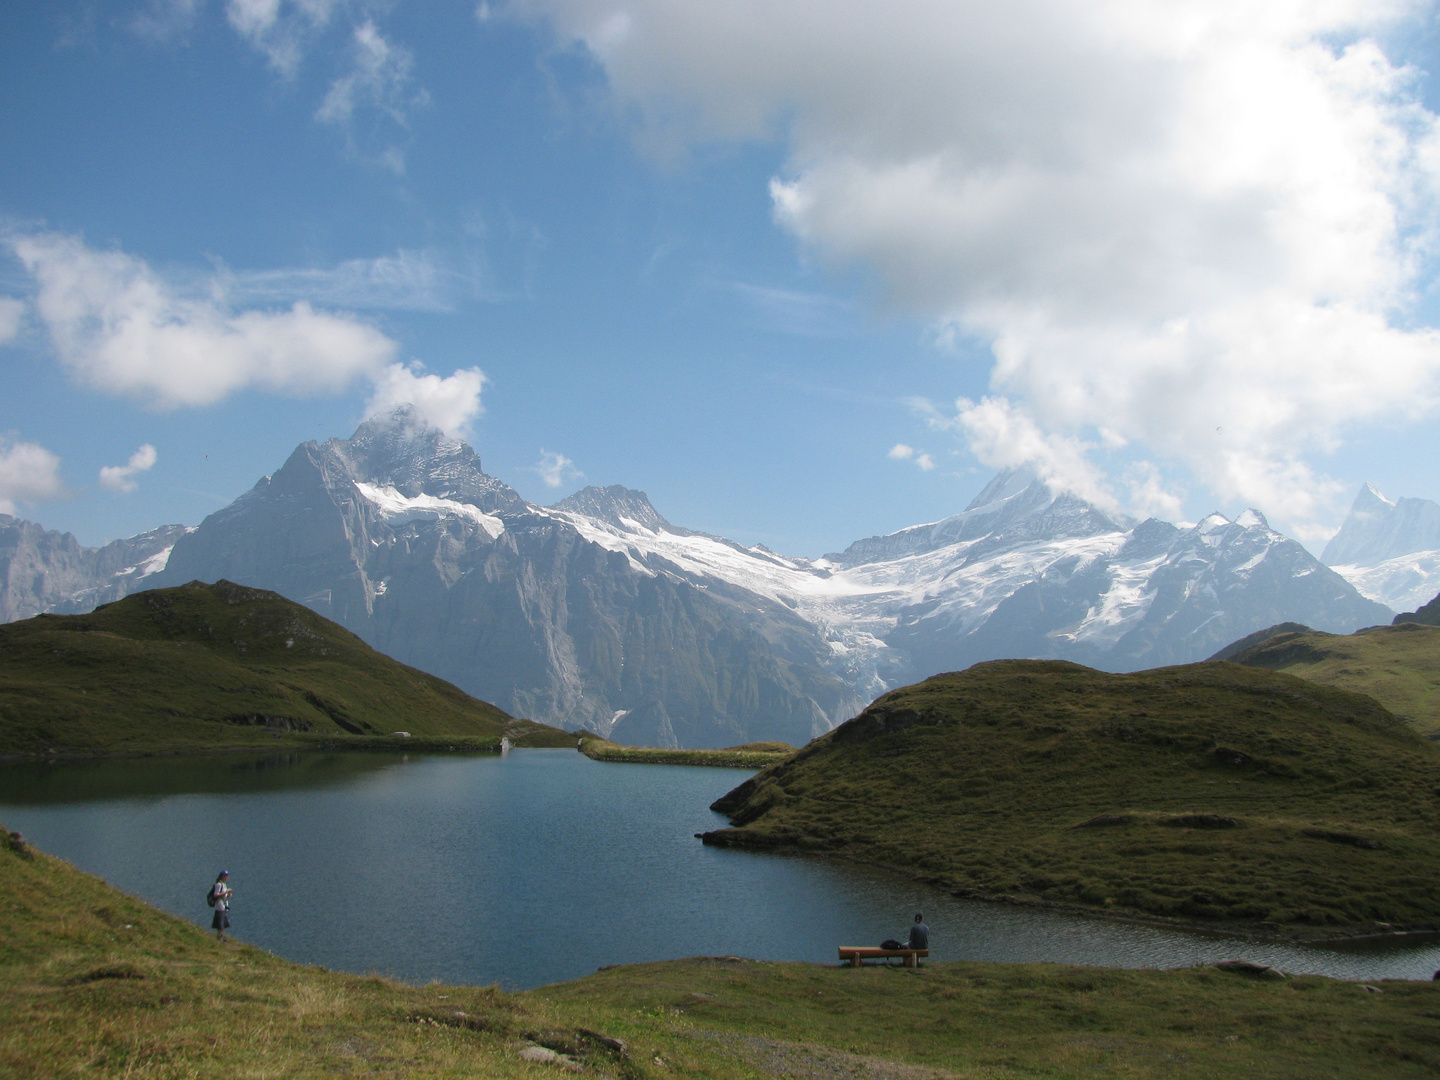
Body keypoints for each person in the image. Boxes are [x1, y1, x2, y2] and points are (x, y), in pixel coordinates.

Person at [210, 871, 232, 941]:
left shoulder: (224, 884)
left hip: (223, 904)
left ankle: (220, 935)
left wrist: (228, 895)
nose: (227, 878)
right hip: (219, 906)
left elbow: (223, 896)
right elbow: (216, 895)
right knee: (220, 922)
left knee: (223, 922)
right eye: (226, 876)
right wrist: (226, 892)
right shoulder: (219, 884)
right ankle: (219, 936)